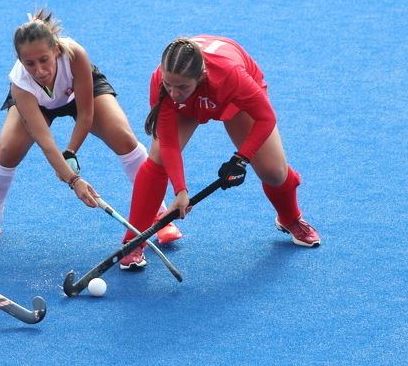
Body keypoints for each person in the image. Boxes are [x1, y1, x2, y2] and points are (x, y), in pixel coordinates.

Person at [0, 9, 181, 244]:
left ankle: (158, 215)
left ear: (55, 50)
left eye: (44, 60)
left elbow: (86, 114)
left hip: (78, 95)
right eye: (29, 63)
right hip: (38, 103)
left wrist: (70, 152)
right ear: (20, 61)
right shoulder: (20, 84)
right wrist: (73, 180)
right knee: (7, 150)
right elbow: (45, 141)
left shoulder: (75, 54)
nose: (39, 70)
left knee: (123, 138)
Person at [119, 35, 320, 269]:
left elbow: (266, 118)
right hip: (189, 104)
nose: (173, 93)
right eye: (168, 85)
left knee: (273, 172)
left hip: (232, 99)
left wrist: (241, 158)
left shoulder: (232, 76)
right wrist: (181, 191)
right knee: (159, 160)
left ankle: (290, 218)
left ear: (201, 76)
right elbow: (169, 144)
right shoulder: (164, 82)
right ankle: (134, 240)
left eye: (181, 87)